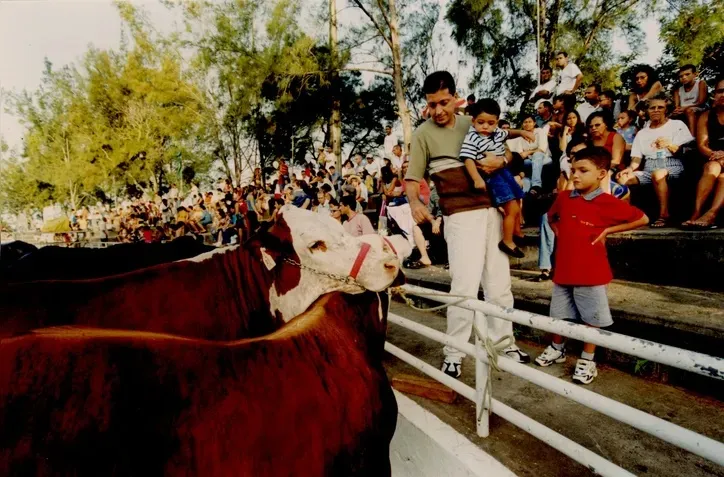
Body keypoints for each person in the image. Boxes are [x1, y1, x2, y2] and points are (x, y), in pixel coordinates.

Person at [405, 71, 530, 379]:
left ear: (456, 97)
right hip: (459, 215)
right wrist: (416, 203)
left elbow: (509, 155)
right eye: (432, 104)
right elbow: (411, 179)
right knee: (463, 286)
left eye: (444, 102)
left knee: (499, 283)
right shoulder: (423, 133)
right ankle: (454, 351)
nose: (438, 111)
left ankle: (504, 343)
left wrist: (500, 162)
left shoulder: (475, 122)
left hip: (494, 211)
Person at [535, 146, 649, 384]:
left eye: (583, 170)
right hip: (564, 269)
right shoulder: (564, 197)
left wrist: (608, 229)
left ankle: (588, 359)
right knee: (558, 316)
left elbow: (642, 218)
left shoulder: (607, 202)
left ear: (601, 173)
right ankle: (557, 348)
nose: (575, 175)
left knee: (591, 318)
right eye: (573, 169)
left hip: (591, 272)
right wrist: (560, 234)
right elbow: (551, 216)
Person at [460, 99, 534, 258]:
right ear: (473, 121)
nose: (485, 127)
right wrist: (476, 179)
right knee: (511, 207)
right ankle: (507, 241)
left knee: (518, 201)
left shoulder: (497, 132)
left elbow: (508, 133)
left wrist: (522, 132)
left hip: (504, 171)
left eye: (490, 123)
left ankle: (516, 232)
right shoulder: (472, 138)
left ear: (496, 122)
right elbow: (468, 159)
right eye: (481, 122)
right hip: (493, 176)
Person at [617, 95, 695, 227]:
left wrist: (669, 145)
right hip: (649, 167)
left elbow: (689, 150)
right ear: (647, 111)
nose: (656, 110)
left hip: (672, 164)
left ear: (666, 109)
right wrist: (629, 169)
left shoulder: (677, 125)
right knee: (623, 178)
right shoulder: (642, 133)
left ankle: (664, 215)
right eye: (652, 108)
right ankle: (627, 216)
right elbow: (636, 158)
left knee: (658, 173)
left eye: (660, 107)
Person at [683, 75, 724, 229]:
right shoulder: (706, 116)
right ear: (715, 94)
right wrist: (716, 156)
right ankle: (696, 212)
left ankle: (712, 213)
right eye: (720, 91)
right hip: (712, 158)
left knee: (723, 177)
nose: (723, 95)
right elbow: (702, 144)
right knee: (711, 168)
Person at [507, 116, 552, 196]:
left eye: (530, 122)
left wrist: (528, 152)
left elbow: (541, 149)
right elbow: (520, 155)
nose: (527, 124)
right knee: (522, 164)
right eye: (525, 122)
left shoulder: (540, 132)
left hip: (545, 159)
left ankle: (536, 185)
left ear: (534, 123)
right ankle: (526, 192)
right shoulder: (521, 136)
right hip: (530, 161)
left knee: (537, 155)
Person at [672, 64, 708, 135]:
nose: (684, 77)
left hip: (700, 108)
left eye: (687, 74)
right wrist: (677, 110)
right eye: (681, 76)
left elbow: (701, 102)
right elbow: (677, 106)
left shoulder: (700, 83)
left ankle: (692, 137)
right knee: (671, 115)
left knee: (689, 110)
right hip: (683, 110)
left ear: (695, 74)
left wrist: (685, 108)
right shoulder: (678, 90)